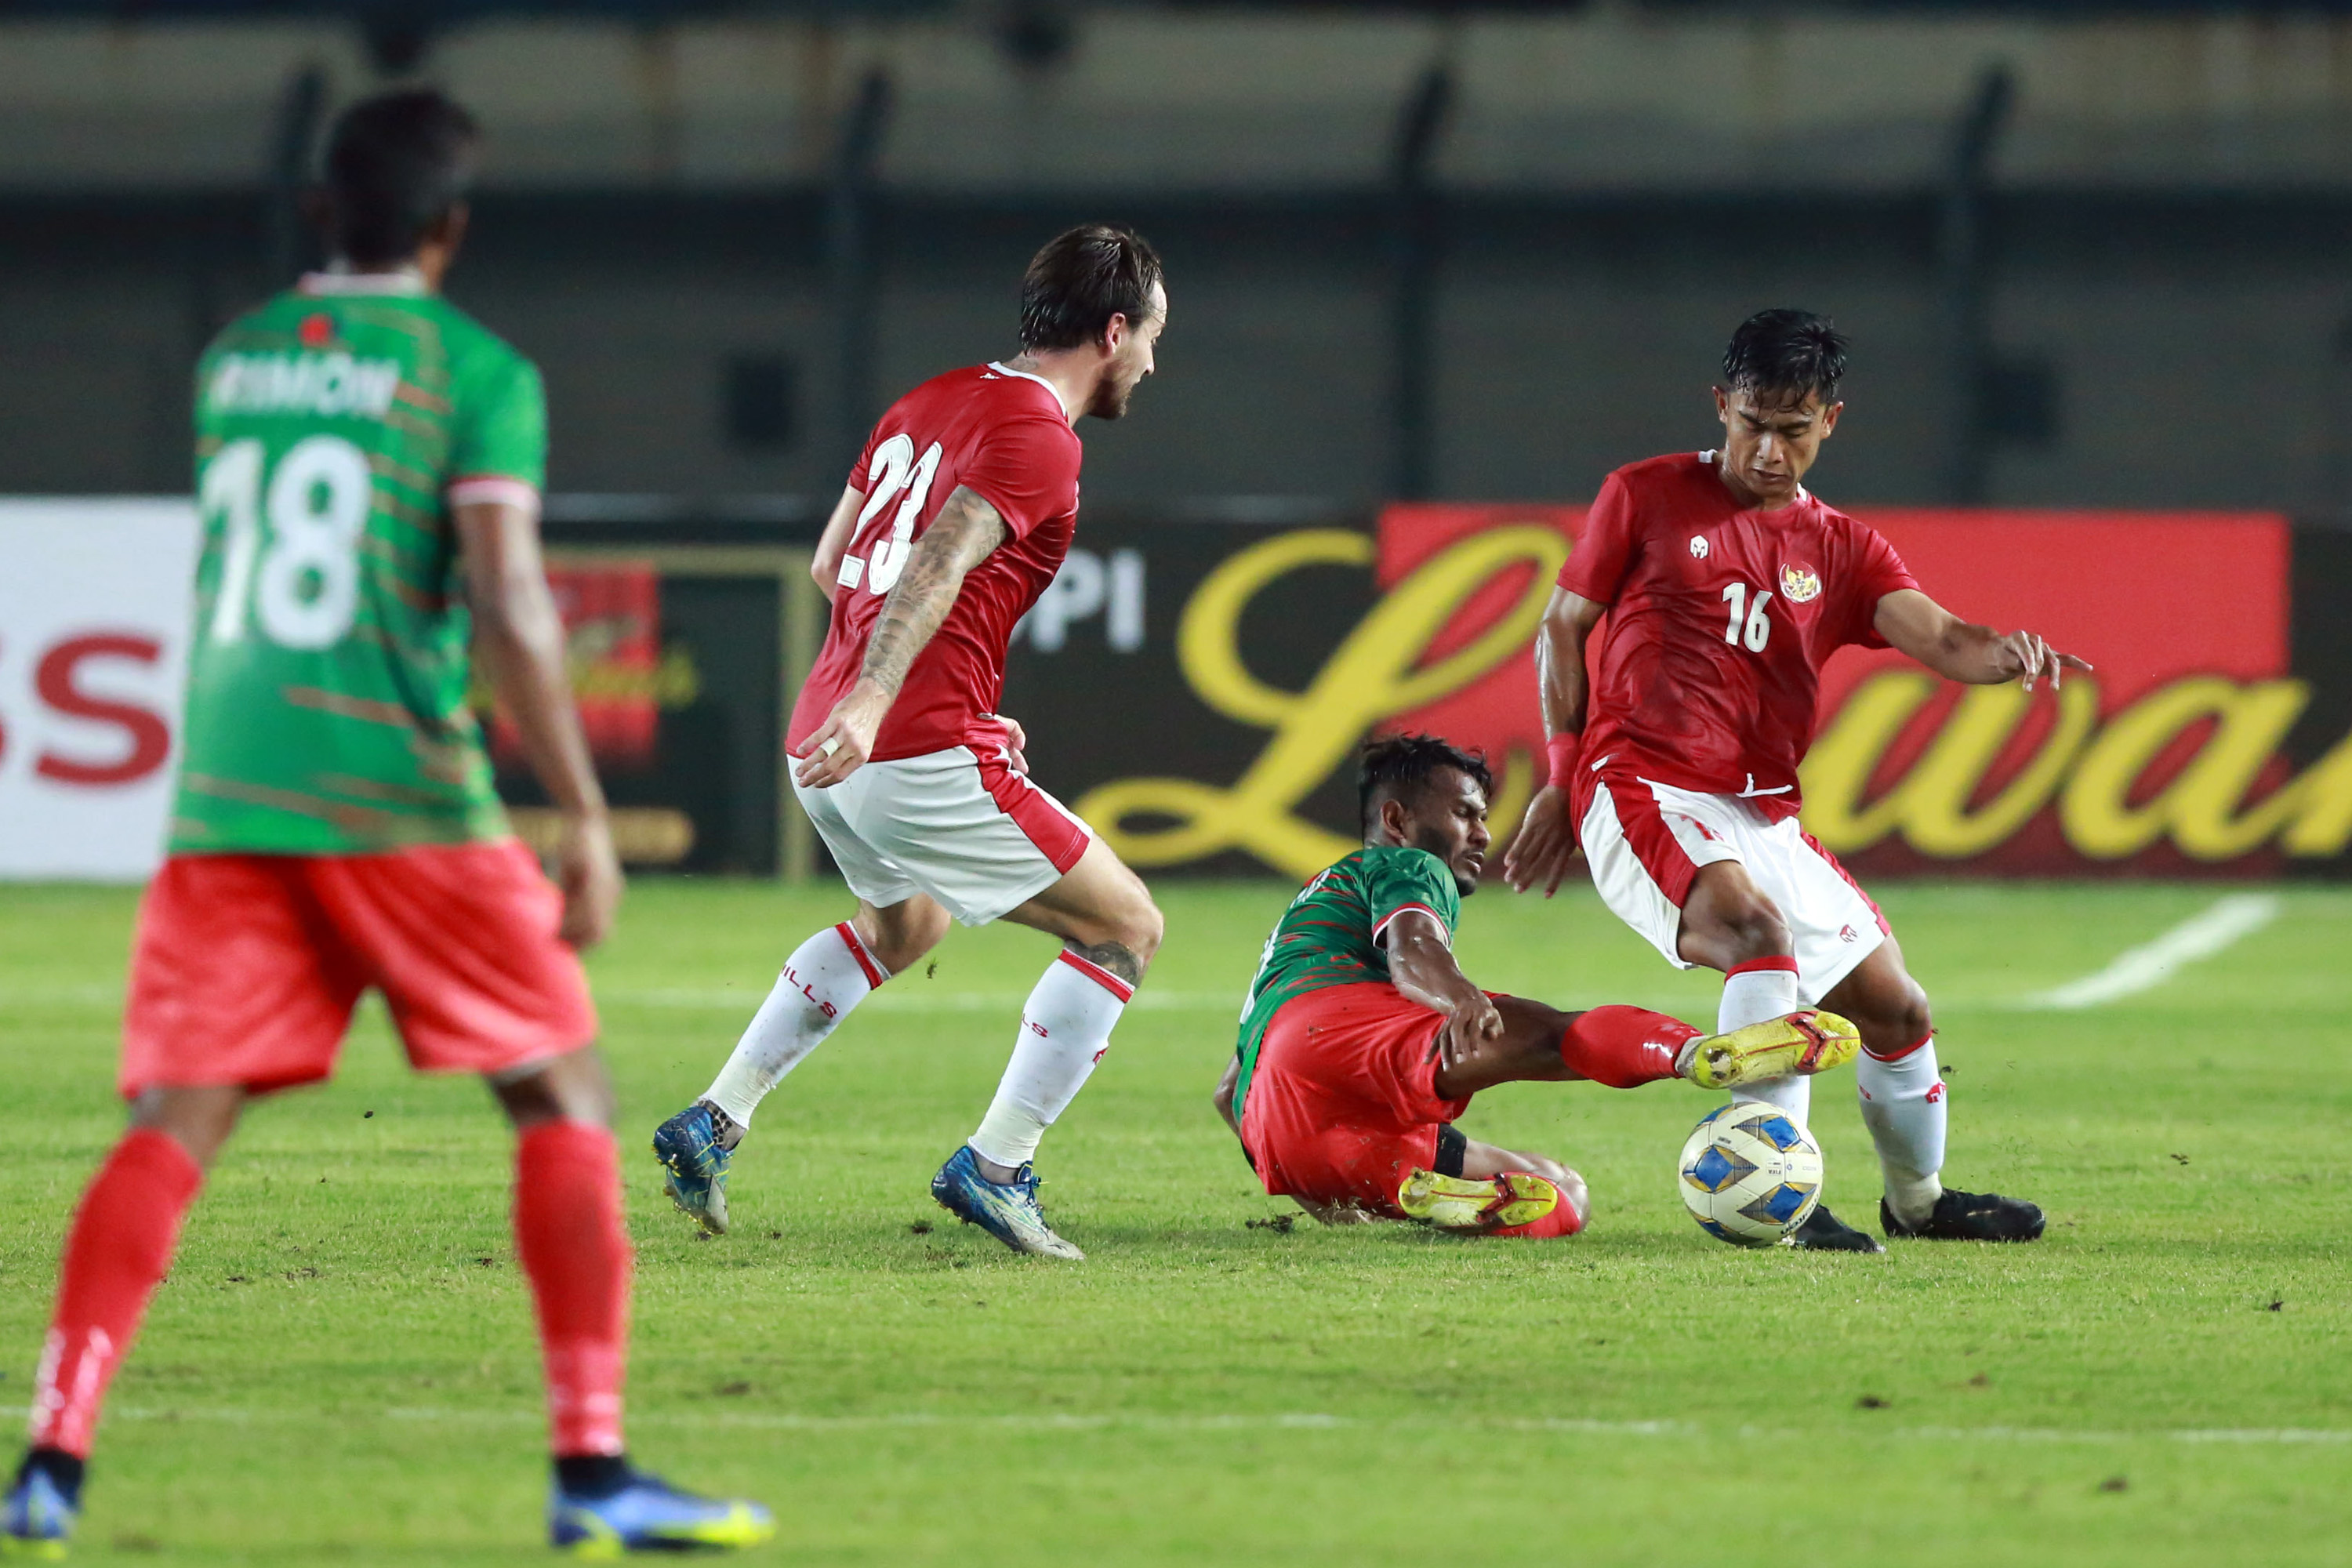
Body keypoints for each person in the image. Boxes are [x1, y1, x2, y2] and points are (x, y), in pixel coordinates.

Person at [0, 92, 771, 1556]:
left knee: (176, 1123)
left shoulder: (232, 363)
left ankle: (53, 1454)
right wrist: (584, 811)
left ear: (314, 217)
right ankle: (591, 1474)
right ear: (449, 230)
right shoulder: (473, 371)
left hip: (227, 791)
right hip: (399, 791)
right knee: (564, 1097)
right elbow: (505, 596)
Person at [1504, 309, 2086, 1252]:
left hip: (1761, 809)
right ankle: (1778, 1188)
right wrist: (1565, 775)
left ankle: (1920, 1200)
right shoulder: (1644, 494)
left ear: (1831, 422)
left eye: (1794, 427)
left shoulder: (1844, 547)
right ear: (1721, 405)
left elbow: (1943, 638)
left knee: (1898, 1008)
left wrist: (2008, 655)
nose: (1770, 450)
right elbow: (1562, 624)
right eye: (1753, 423)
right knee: (1753, 932)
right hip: (1643, 780)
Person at [652, 226, 1169, 1261]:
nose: (1154, 361)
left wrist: (883, 695)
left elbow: (833, 563)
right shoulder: (1041, 435)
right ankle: (1000, 1163)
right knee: (1125, 927)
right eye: (1154, 336)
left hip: (828, 748)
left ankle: (714, 1122)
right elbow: (938, 556)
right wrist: (887, 698)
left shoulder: (924, 401)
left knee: (906, 930)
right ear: (1114, 331)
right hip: (898, 744)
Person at [1213, 735, 1860, 1236]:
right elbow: (1413, 952)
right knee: (1553, 1035)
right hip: (1327, 1031)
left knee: (1562, 1194)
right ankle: (1698, 1054)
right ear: (1398, 819)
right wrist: (1462, 996)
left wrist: (1314, 1187)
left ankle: (1436, 1202)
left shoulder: (1305, 911)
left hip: (1282, 1132)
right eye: (1465, 814)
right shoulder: (1404, 862)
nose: (1483, 833)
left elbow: (1225, 1094)